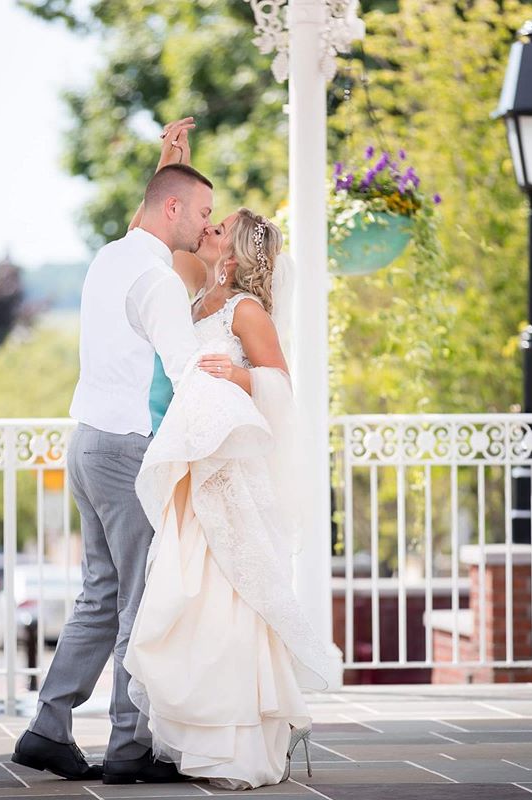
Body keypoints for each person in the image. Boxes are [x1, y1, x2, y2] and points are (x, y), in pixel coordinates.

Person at [12, 120, 229, 785]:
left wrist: (170, 161)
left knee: (101, 595)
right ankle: (129, 748)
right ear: (172, 208)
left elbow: (146, 210)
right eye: (200, 212)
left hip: (84, 443)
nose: (204, 224)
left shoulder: (113, 256)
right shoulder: (160, 282)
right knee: (135, 597)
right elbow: (187, 369)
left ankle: (48, 727)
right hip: (125, 449)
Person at [124, 189, 331, 786]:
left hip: (233, 476)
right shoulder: (194, 300)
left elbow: (281, 389)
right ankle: (194, 743)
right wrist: (168, 164)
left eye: (221, 228)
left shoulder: (245, 311)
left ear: (235, 255)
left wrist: (241, 375)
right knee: (192, 602)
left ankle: (238, 746)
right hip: (193, 472)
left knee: (232, 600)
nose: (209, 227)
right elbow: (154, 222)